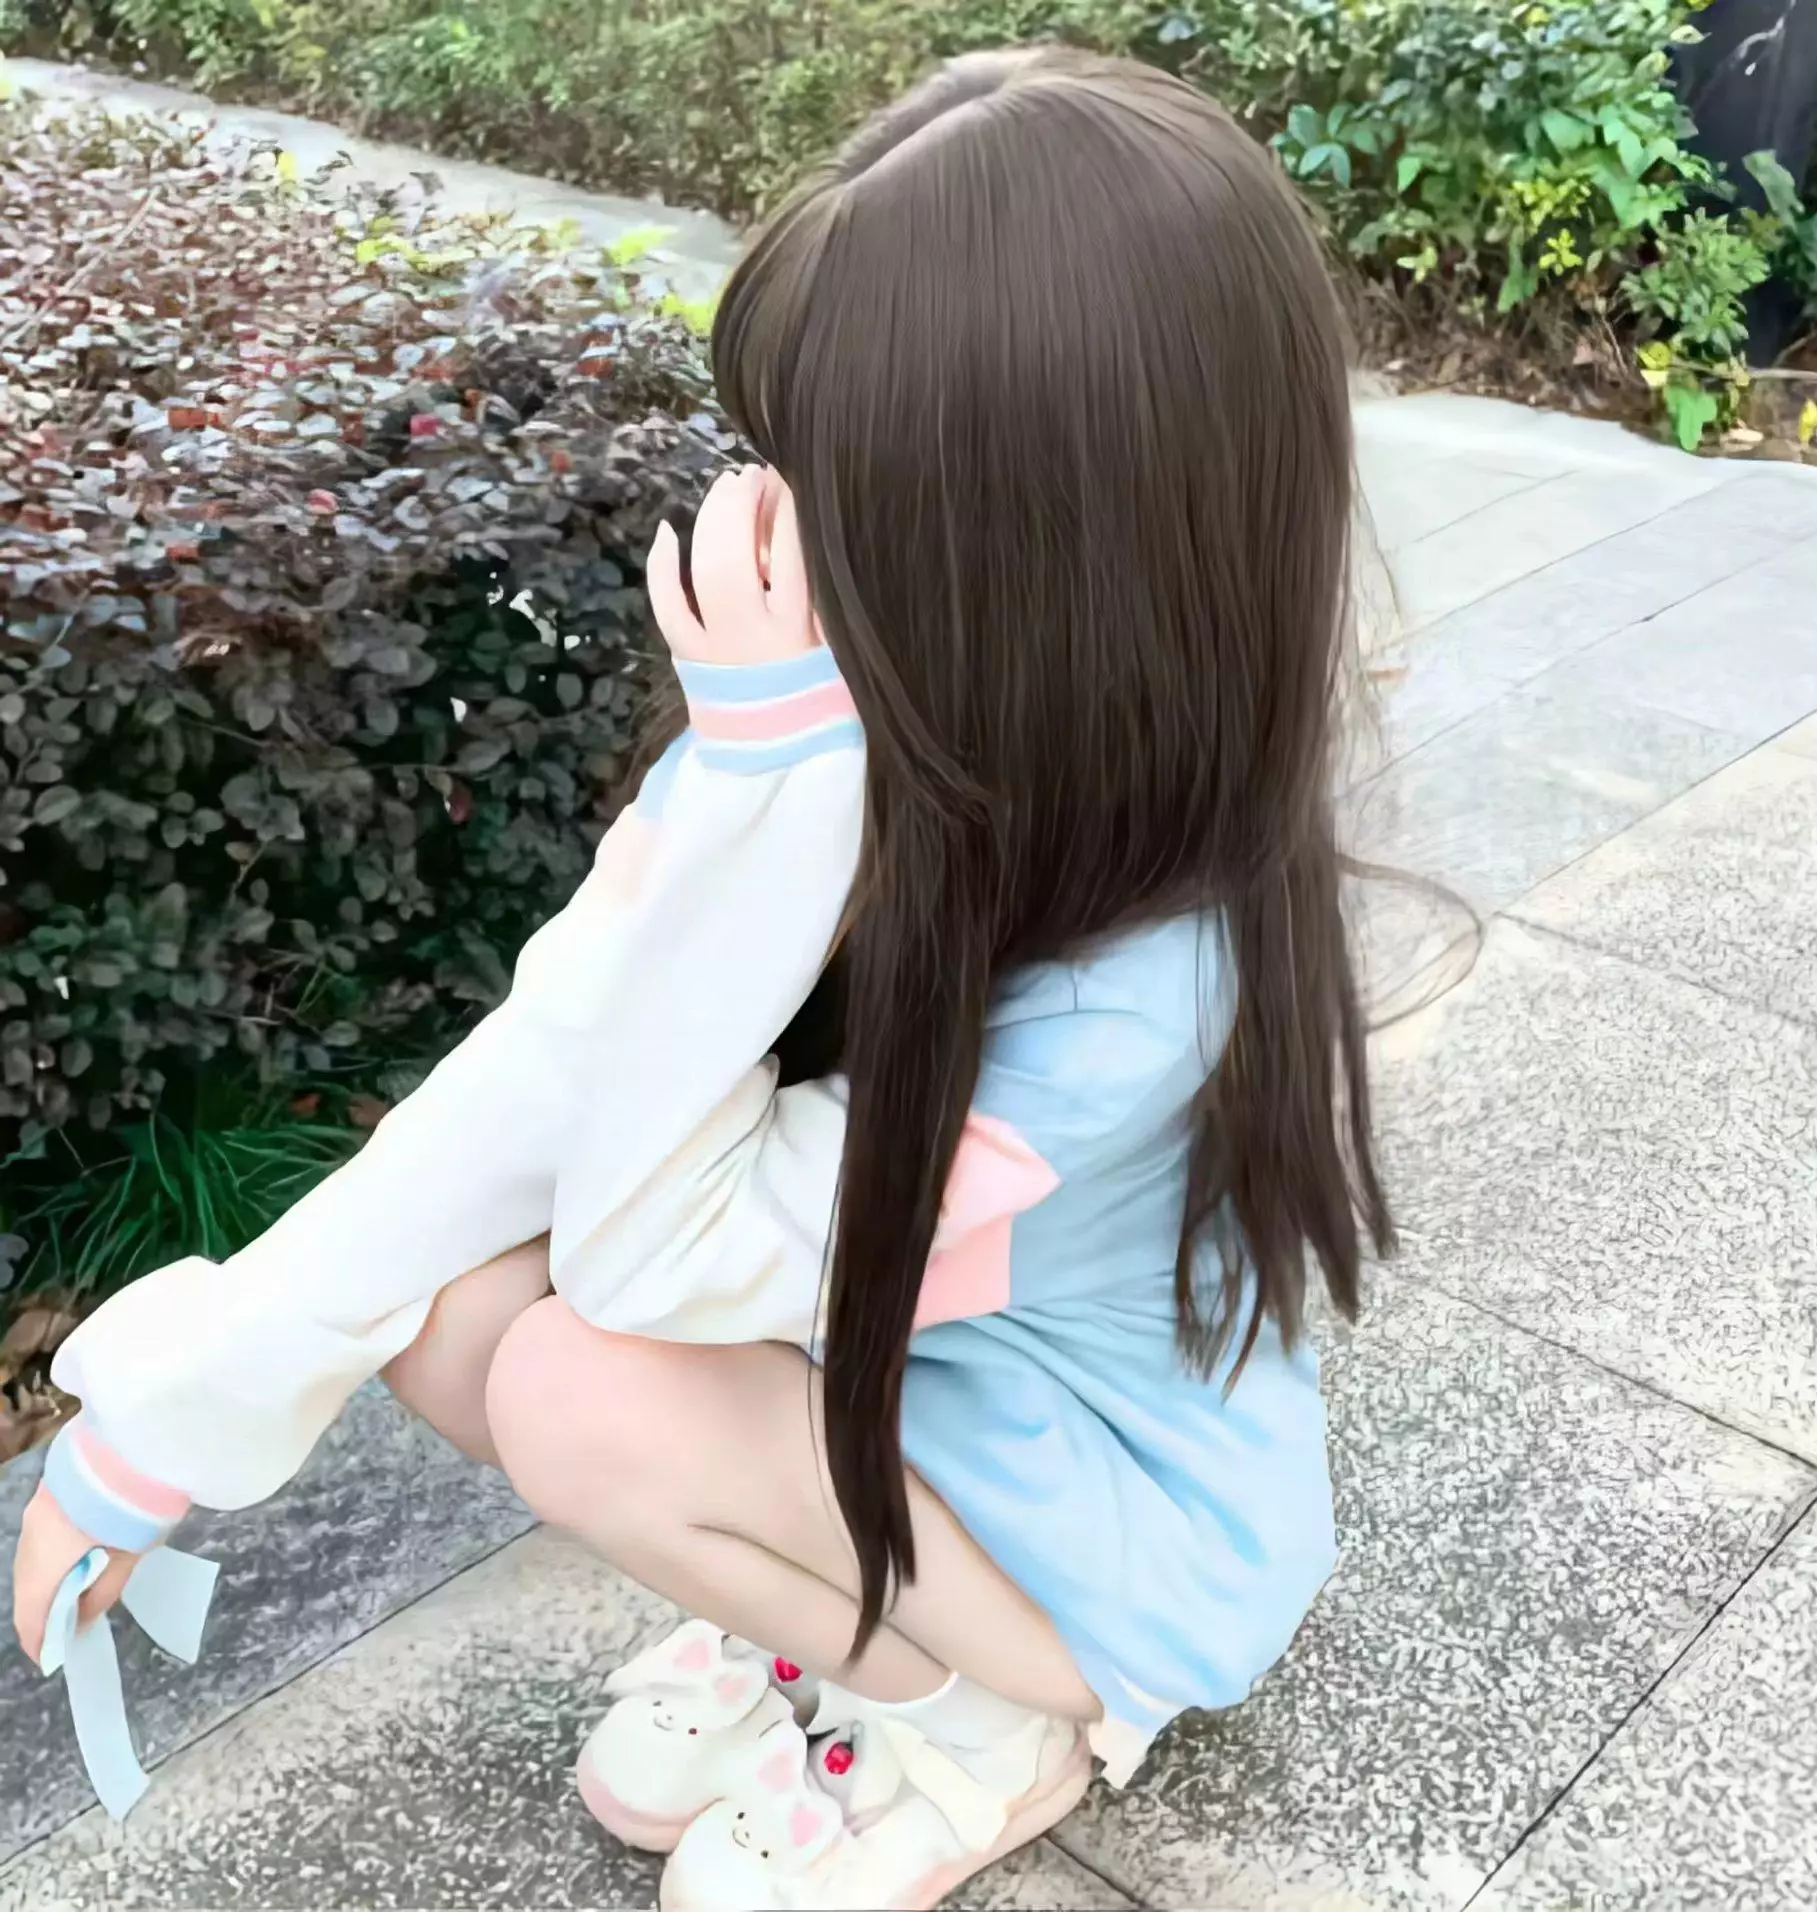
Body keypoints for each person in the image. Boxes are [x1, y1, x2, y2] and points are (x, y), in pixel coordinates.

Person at [11, 45, 1392, 1912]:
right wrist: (172, 1415)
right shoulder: (862, 750)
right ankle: (822, 1606)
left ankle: (979, 1720)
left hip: (1105, 1535)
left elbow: (645, 1263)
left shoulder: (1134, 995)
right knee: (452, 1308)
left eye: (834, 482)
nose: (765, 522)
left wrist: (762, 799)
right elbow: (543, 1074)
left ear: (1045, 559)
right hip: (875, 1368)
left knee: (582, 1387)